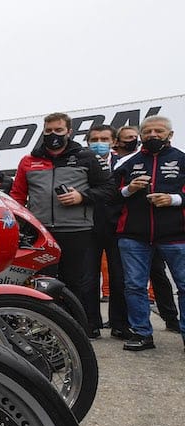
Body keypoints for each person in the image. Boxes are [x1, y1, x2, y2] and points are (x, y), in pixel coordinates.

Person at [10, 112, 113, 338]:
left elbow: (107, 189)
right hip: (42, 233)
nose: (53, 135)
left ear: (69, 132)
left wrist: (82, 197)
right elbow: (17, 196)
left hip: (78, 230)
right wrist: (20, 223)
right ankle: (47, 329)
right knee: (44, 283)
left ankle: (80, 329)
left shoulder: (86, 157)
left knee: (77, 283)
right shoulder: (28, 161)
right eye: (48, 131)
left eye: (58, 130)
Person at [111, 116, 185, 352]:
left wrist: (173, 199)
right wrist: (128, 189)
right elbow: (110, 195)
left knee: (184, 286)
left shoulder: (182, 159)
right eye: (148, 131)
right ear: (141, 135)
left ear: (170, 135)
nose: (153, 135)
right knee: (134, 286)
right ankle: (142, 333)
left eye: (159, 131)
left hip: (177, 235)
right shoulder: (126, 161)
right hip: (133, 235)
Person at [86, 124, 128, 338]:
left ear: (113, 142)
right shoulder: (83, 163)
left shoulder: (124, 164)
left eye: (104, 139)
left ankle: (119, 325)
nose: (99, 143)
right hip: (88, 227)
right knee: (89, 279)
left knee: (119, 279)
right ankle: (91, 324)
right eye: (95, 139)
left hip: (118, 228)